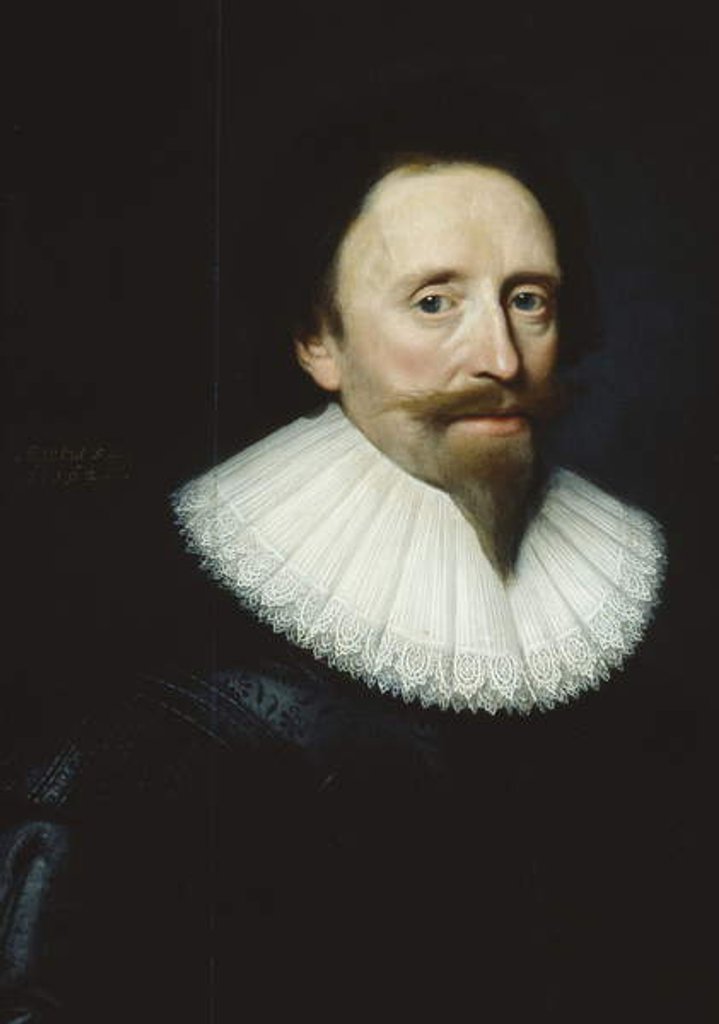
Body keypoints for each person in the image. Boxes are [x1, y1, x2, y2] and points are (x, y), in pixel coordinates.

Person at [1, 85, 676, 1023]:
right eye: (434, 302)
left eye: (528, 300)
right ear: (319, 341)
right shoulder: (170, 659)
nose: (502, 358)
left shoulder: (641, 614)